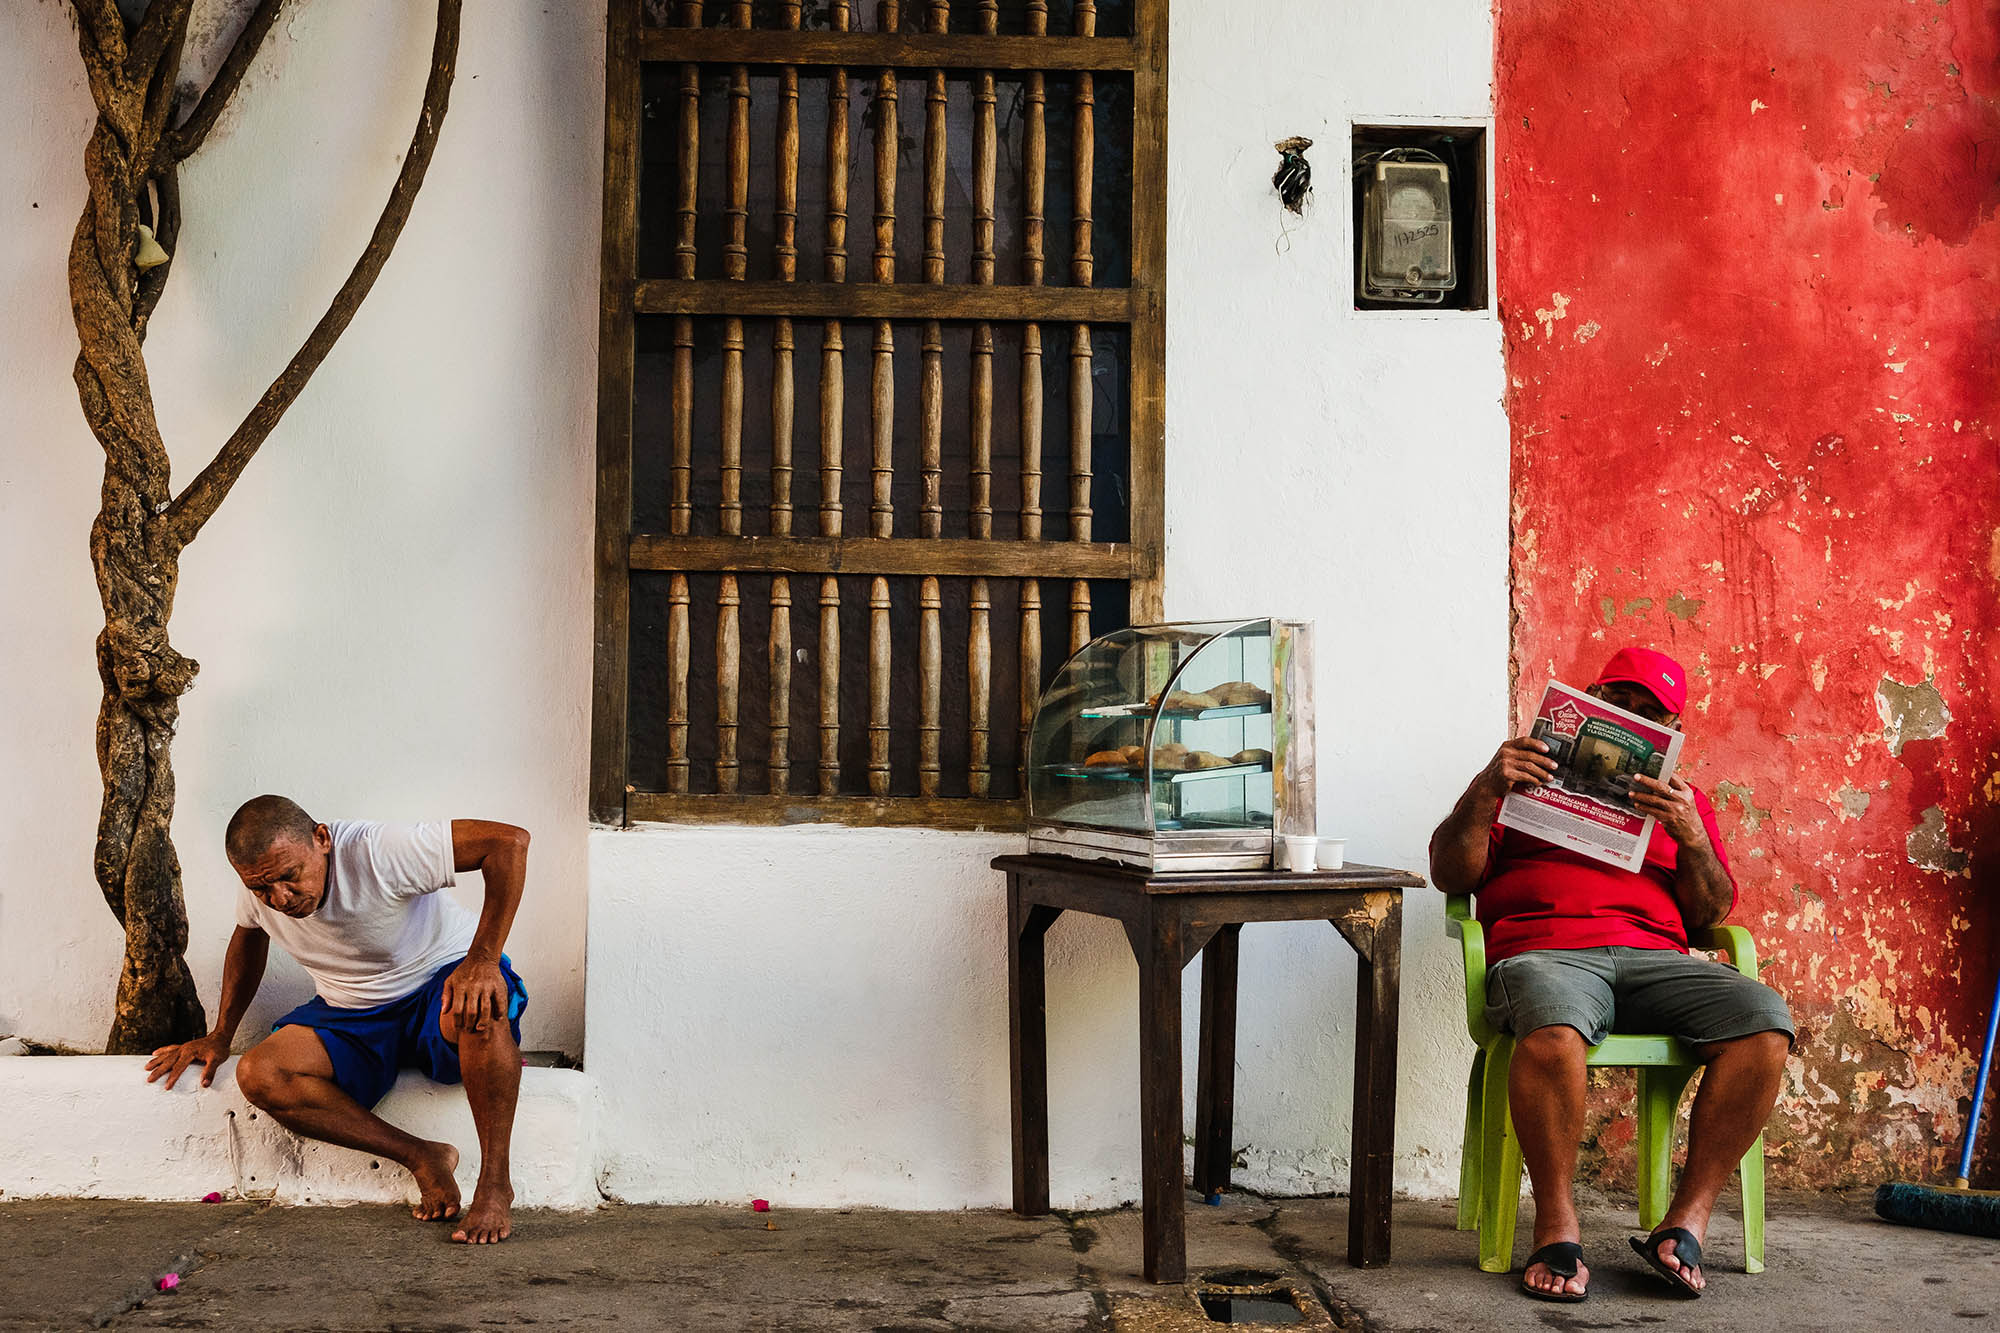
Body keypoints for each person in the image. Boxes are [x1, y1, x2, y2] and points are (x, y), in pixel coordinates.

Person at [1429, 647, 1792, 1302]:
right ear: (1591, 700)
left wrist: (1691, 836)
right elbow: (1453, 875)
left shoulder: (1685, 803)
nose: (1631, 717)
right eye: (1619, 704)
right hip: (1546, 953)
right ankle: (1556, 1226)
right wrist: (1488, 788)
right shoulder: (1516, 779)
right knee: (1552, 1023)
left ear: (1672, 735)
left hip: (1654, 960)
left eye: (1650, 714)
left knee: (1765, 1023)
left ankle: (1684, 1225)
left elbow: (1710, 911)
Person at [145, 796, 531, 1245]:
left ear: (322, 839)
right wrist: (220, 1034)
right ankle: (422, 1156)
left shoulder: (379, 851)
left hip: (438, 983)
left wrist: (482, 959)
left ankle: (495, 1184)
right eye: (263, 889)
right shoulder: (262, 882)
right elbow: (248, 941)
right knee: (261, 1074)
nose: (280, 899)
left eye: (290, 878)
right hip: (353, 1011)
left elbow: (508, 842)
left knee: (479, 1006)